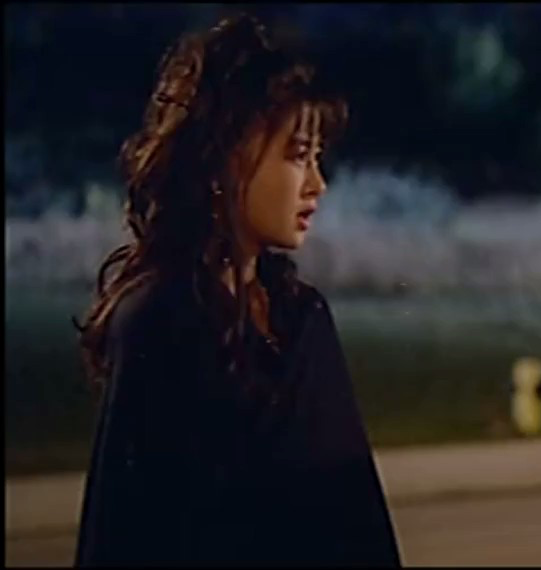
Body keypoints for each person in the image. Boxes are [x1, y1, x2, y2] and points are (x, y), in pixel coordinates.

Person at [73, 14, 401, 566]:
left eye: (317, 157)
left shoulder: (303, 320)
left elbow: (361, 526)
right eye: (297, 155)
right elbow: (124, 536)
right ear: (226, 156)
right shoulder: (158, 320)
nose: (317, 184)